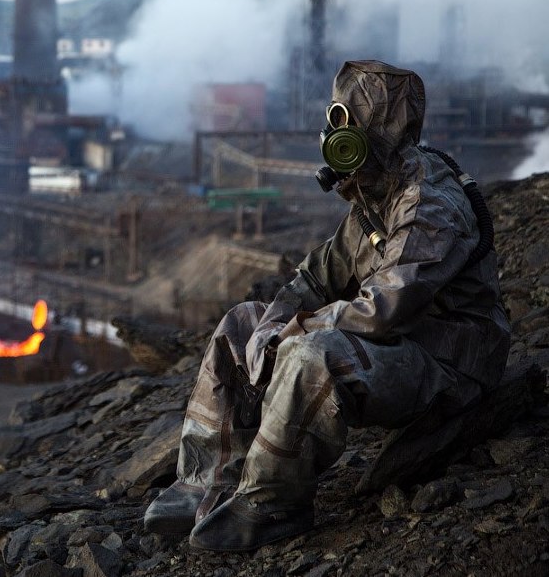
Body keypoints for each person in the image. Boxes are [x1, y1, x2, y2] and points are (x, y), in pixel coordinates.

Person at [143, 60, 511, 552]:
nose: (336, 141)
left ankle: (273, 502)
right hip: (402, 347)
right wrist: (271, 326)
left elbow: (385, 307)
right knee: (240, 327)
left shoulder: (429, 206)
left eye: (350, 127)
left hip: (450, 363)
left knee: (313, 354)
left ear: (376, 135)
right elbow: (317, 276)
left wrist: (297, 331)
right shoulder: (374, 197)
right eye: (336, 124)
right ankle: (201, 482)